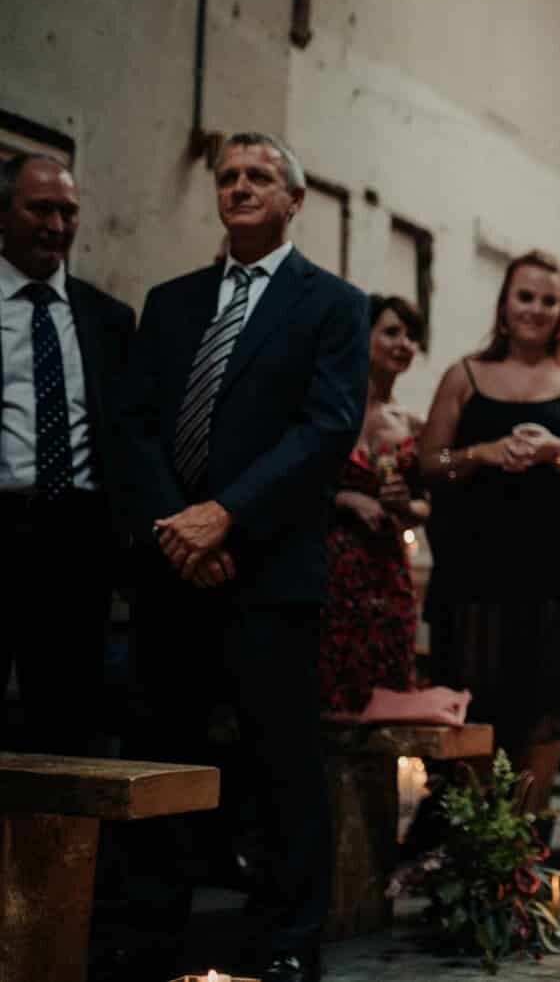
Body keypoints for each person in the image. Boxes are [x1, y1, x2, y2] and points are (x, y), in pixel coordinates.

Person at [115, 131, 368, 982]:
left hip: (269, 569)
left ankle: (290, 940)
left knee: (280, 765)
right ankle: (148, 933)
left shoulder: (331, 304)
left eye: (260, 176)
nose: (240, 186)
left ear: (295, 199)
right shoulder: (172, 300)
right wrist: (177, 530)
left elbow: (326, 429)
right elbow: (138, 425)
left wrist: (225, 518)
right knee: (164, 755)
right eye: (227, 176)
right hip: (172, 566)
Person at [418, 250, 560, 814]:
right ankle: (478, 847)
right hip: (476, 572)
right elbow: (429, 464)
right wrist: (481, 452)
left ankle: (525, 851)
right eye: (524, 296)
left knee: (545, 712)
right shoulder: (464, 375)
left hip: (556, 571)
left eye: (548, 300)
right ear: (504, 305)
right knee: (474, 706)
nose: (535, 308)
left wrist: (559, 452)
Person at [0, 153, 134, 755]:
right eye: (41, 208)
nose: (56, 225)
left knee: (67, 728)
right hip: (3, 517)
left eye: (69, 211)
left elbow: (127, 437)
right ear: (5, 213)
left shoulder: (108, 319)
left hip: (78, 541)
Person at [319, 295, 430, 713]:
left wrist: (406, 506)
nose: (404, 343)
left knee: (386, 686)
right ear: (362, 335)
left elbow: (427, 507)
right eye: (391, 332)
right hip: (331, 560)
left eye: (412, 336)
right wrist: (345, 499)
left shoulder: (412, 424)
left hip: (387, 567)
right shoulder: (330, 408)